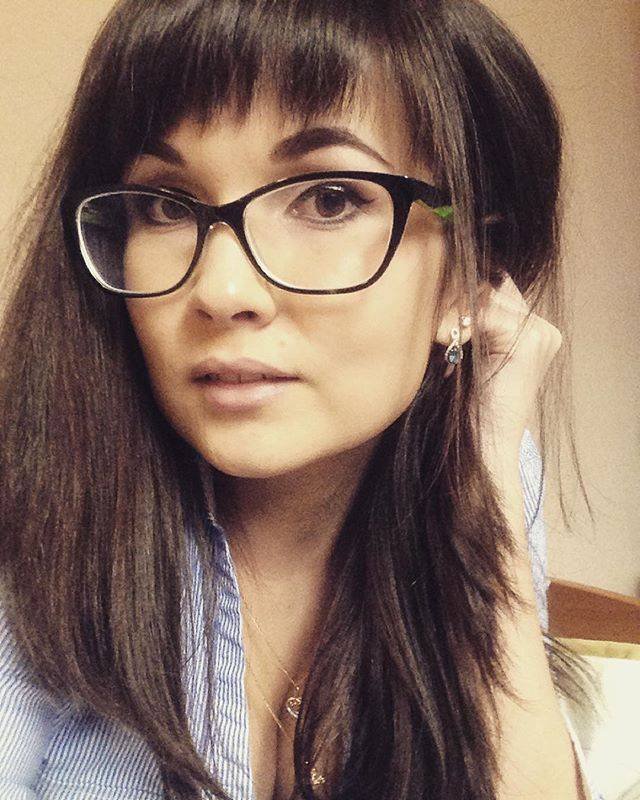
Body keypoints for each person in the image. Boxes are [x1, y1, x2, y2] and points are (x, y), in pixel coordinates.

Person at [0, 0, 603, 798]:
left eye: (328, 199)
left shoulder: (483, 469)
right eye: (166, 205)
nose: (221, 291)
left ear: (468, 269)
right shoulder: (34, 513)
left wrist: (486, 466)